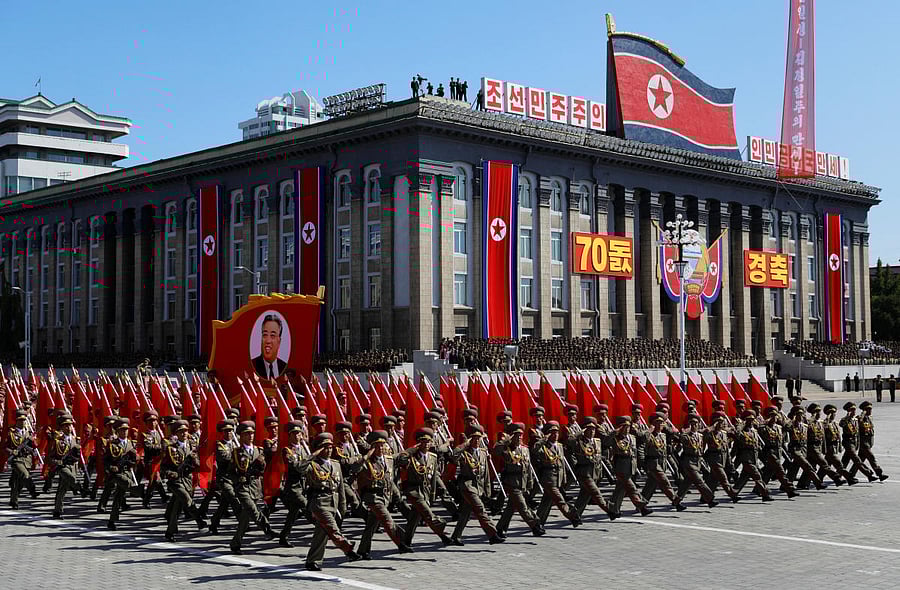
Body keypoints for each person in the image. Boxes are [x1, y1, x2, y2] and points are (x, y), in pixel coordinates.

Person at [303, 432, 362, 570]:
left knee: (322, 533)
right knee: (332, 529)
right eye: (325, 448)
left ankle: (312, 561)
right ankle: (348, 550)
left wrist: (342, 507)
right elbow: (297, 467)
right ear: (319, 449)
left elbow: (340, 488)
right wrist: (313, 454)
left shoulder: (335, 464)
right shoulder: (312, 464)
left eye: (330, 447)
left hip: (333, 501)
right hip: (319, 503)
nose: (329, 450)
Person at [356, 430, 413, 558]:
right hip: (373, 497)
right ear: (371, 447)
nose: (380, 448)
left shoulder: (389, 459)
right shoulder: (367, 461)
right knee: (388, 521)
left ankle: (362, 551)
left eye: (382, 445)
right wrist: (366, 456)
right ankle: (402, 543)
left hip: (386, 497)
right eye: (377, 446)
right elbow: (355, 468)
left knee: (371, 525)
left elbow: (402, 456)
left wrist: (415, 448)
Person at [396, 427, 453, 546]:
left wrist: (432, 494)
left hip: (426, 491)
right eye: (424, 442)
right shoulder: (412, 456)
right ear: (419, 443)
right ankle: (443, 535)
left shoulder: (433, 457)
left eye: (429, 442)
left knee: (414, 518)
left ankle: (405, 542)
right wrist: (412, 449)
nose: (427, 444)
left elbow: (433, 478)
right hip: (414, 491)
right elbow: (400, 460)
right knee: (429, 515)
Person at [449, 424, 504, 544]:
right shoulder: (464, 453)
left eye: (479, 438)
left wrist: (487, 490)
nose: (477, 441)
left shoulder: (484, 453)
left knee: (465, 513)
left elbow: (486, 474)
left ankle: (455, 537)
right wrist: (465, 444)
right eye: (474, 438)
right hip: (467, 485)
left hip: (478, 486)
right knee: (480, 509)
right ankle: (493, 534)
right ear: (470, 439)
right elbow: (453, 455)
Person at [230, 421, 274, 555]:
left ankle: (235, 543)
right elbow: (234, 470)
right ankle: (267, 528)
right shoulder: (237, 452)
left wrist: (263, 459)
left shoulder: (259, 450)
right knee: (252, 509)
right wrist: (239, 479)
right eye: (247, 434)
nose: (250, 436)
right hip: (243, 486)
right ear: (241, 436)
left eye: (252, 433)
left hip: (255, 486)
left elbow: (264, 469)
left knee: (245, 517)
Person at [493, 422, 544, 537]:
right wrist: (505, 441)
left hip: (523, 482)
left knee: (511, 507)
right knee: (522, 506)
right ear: (511, 436)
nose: (519, 437)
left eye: (521, 435)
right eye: (516, 435)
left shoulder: (525, 449)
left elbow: (528, 468)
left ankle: (500, 529)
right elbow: (495, 451)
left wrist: (529, 484)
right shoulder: (506, 449)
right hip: (511, 482)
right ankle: (535, 525)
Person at [162, 420, 207, 541]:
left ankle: (169, 532)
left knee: (177, 508)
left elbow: (198, 465)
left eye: (186, 431)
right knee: (187, 500)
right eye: (181, 432)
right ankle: (200, 521)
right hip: (176, 481)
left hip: (188, 480)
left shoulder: (192, 447)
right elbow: (164, 466)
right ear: (176, 433)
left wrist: (194, 460)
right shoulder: (171, 448)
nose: (184, 434)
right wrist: (170, 473)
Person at [533, 421, 580, 528]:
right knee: (560, 500)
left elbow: (562, 464)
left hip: (558, 479)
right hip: (548, 479)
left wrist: (563, 479)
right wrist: (543, 439)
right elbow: (534, 450)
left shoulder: (559, 446)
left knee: (546, 502)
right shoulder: (543, 447)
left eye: (557, 433)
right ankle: (572, 517)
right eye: (552, 433)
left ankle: (537, 524)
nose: (556, 435)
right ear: (548, 434)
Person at [569, 416, 618, 519]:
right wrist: (580, 432)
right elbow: (570, 440)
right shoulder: (579, 442)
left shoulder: (597, 441)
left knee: (584, 495)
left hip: (596, 472)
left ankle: (574, 515)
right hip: (585, 472)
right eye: (589, 429)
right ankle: (610, 510)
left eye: (593, 429)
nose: (592, 432)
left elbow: (606, 444)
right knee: (596, 492)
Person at [606, 416, 652, 516]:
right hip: (621, 466)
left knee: (621, 488)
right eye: (624, 427)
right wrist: (614, 431)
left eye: (628, 427)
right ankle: (642, 506)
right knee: (632, 487)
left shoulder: (632, 437)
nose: (627, 429)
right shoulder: (615, 438)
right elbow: (605, 441)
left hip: (631, 465)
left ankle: (613, 509)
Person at [640, 413, 685, 511]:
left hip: (662, 461)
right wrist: (650, 430)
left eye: (662, 423)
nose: (661, 425)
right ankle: (676, 502)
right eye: (658, 423)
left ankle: (641, 504)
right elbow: (642, 440)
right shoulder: (649, 435)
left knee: (651, 485)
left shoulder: (663, 435)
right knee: (665, 482)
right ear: (653, 424)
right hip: (653, 462)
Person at [278, 420, 311, 548]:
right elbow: (295, 466)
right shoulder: (287, 451)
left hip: (303, 486)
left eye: (299, 433)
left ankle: (283, 536)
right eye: (295, 433)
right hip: (293, 487)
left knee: (293, 514)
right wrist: (310, 458)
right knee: (308, 509)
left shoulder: (304, 449)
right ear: (290, 435)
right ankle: (326, 532)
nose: (298, 436)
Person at [675, 416, 718, 507]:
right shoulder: (686, 436)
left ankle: (676, 501)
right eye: (692, 424)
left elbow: (707, 433)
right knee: (699, 481)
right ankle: (710, 499)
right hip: (689, 462)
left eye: (696, 424)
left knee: (687, 483)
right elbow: (681, 438)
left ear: (699, 425)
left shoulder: (700, 436)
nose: (694, 425)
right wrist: (685, 431)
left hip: (698, 460)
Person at [733, 410, 775, 501]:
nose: (751, 422)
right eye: (748, 420)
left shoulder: (754, 431)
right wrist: (740, 425)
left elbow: (758, 445)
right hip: (746, 458)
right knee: (758, 476)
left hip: (754, 457)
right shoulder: (741, 431)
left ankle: (733, 493)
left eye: (752, 420)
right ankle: (765, 494)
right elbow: (736, 433)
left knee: (743, 477)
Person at [105, 418, 138, 531]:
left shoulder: (131, 443)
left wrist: (134, 459)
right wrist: (111, 468)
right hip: (117, 473)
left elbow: (135, 460)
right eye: (122, 430)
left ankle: (112, 520)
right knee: (129, 485)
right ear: (117, 431)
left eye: (126, 430)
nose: (125, 432)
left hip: (127, 471)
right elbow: (106, 460)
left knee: (118, 497)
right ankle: (140, 492)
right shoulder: (112, 444)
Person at [801, 403, 844, 488]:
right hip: (812, 447)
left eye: (819, 411)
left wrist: (824, 449)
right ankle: (836, 478)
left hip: (819, 447)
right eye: (816, 412)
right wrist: (812, 416)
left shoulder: (820, 423)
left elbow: (825, 433)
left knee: (811, 466)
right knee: (824, 464)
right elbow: (807, 425)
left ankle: (802, 483)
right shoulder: (809, 422)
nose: (819, 413)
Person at [48, 413, 81, 518]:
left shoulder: (75, 439)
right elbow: (50, 456)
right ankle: (82, 489)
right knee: (70, 480)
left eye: (70, 425)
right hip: (62, 467)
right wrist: (58, 463)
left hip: (73, 467)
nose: (69, 427)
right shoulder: (57, 441)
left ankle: (57, 510)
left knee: (63, 488)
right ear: (61, 427)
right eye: (66, 425)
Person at [5, 409, 39, 509]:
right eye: (21, 420)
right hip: (16, 459)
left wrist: (33, 441)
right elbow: (4, 447)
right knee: (25, 475)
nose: (23, 422)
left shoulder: (29, 432)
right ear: (17, 421)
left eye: (24, 420)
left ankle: (13, 501)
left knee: (17, 481)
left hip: (27, 459)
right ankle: (32, 489)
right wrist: (12, 452)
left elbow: (35, 446)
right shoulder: (11, 432)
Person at [784, 407, 824, 490]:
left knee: (794, 468)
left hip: (803, 449)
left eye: (801, 415)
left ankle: (786, 485)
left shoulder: (805, 426)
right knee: (807, 466)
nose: (800, 417)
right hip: (795, 449)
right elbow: (786, 427)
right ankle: (818, 483)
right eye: (798, 415)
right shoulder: (792, 425)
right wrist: (792, 419)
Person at [703, 413, 739, 502]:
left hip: (723, 458)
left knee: (713, 480)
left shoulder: (724, 433)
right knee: (723, 477)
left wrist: (729, 462)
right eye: (718, 422)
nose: (720, 424)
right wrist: (712, 427)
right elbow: (704, 439)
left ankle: (704, 498)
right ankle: (733, 495)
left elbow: (726, 448)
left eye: (722, 422)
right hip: (714, 458)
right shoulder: (709, 433)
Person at [839, 402, 877, 483]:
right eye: (851, 410)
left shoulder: (855, 420)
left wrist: (858, 445)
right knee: (857, 460)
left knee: (845, 461)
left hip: (855, 442)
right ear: (848, 411)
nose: (854, 411)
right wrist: (847, 417)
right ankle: (869, 474)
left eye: (854, 410)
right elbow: (841, 424)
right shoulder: (845, 419)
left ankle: (838, 476)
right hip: (848, 442)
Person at [821, 405, 858, 485]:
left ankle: (819, 478)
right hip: (829, 447)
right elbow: (825, 427)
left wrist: (840, 446)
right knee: (839, 464)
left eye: (834, 413)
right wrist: (828, 418)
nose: (834, 415)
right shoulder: (825, 423)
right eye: (832, 413)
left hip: (834, 446)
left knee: (825, 465)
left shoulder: (834, 423)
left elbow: (838, 436)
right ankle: (849, 478)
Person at [853, 401, 889, 481]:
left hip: (869, 442)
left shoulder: (869, 418)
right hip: (863, 443)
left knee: (860, 460)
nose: (870, 411)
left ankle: (851, 474)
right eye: (868, 409)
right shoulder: (859, 418)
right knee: (872, 458)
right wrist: (863, 414)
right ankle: (880, 474)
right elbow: (859, 423)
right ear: (864, 410)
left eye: (870, 409)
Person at [251, 314, 288, 380]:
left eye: (272, 335)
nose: (268, 341)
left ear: (279, 341)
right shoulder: (252, 366)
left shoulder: (285, 368)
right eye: (265, 335)